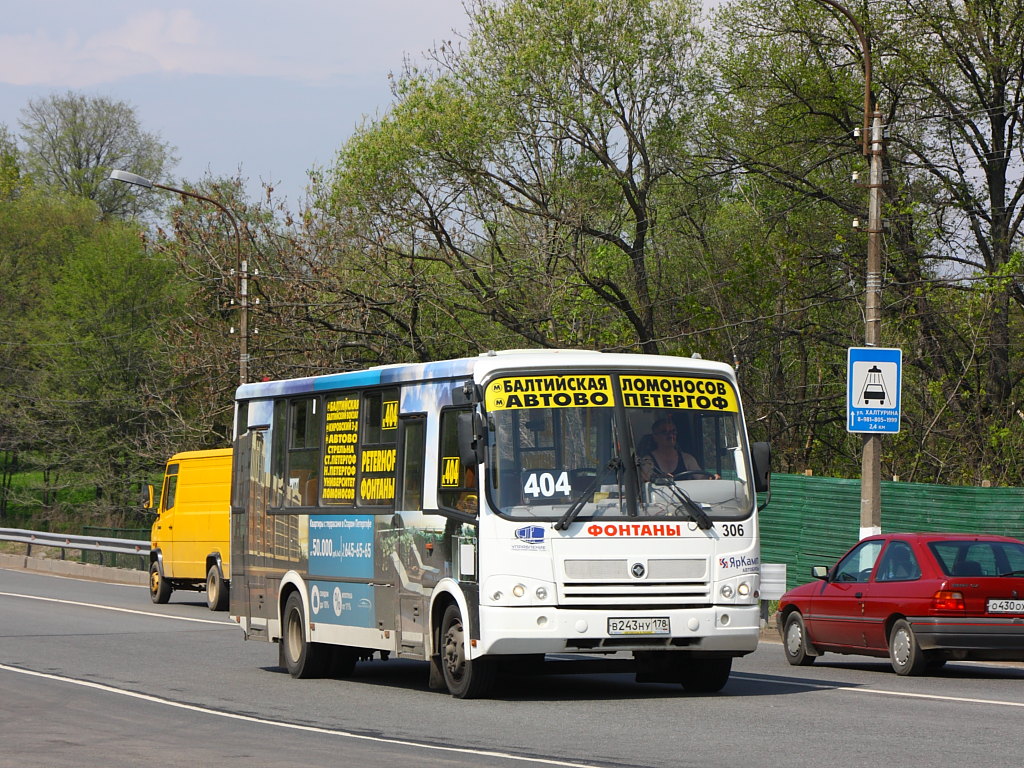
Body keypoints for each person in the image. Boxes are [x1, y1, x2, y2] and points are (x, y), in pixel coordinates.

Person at [641, 417, 719, 480]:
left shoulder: (687, 458)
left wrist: (711, 479)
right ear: (655, 437)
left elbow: (701, 478)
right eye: (665, 432)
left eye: (673, 432)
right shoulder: (647, 461)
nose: (670, 436)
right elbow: (646, 481)